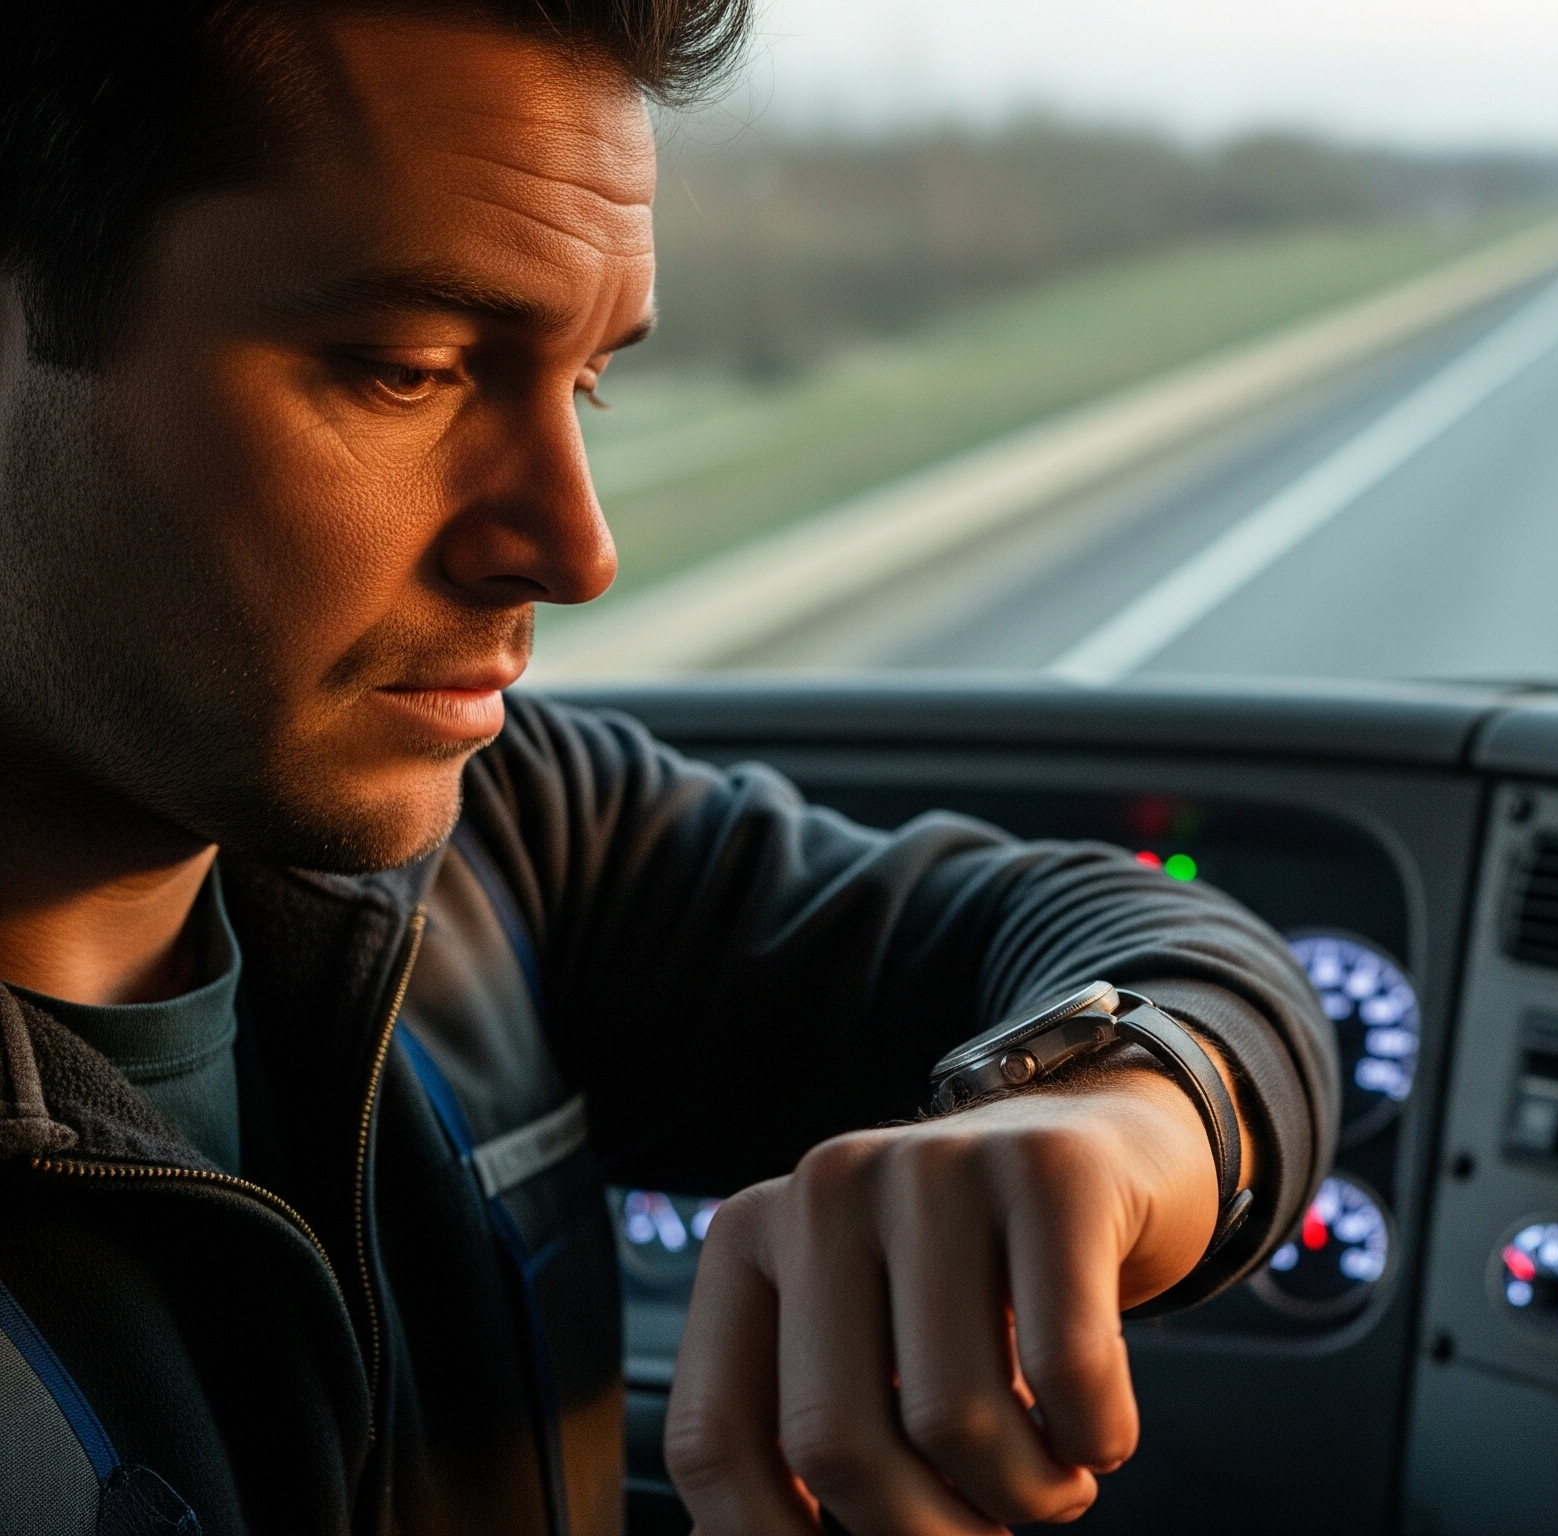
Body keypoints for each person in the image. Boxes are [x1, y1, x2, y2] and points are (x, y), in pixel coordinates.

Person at [0, 3, 1336, 1533]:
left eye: (585, 385)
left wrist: (1107, 1124)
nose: (578, 551)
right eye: (406, 367)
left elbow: (1137, 942)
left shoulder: (507, 842)